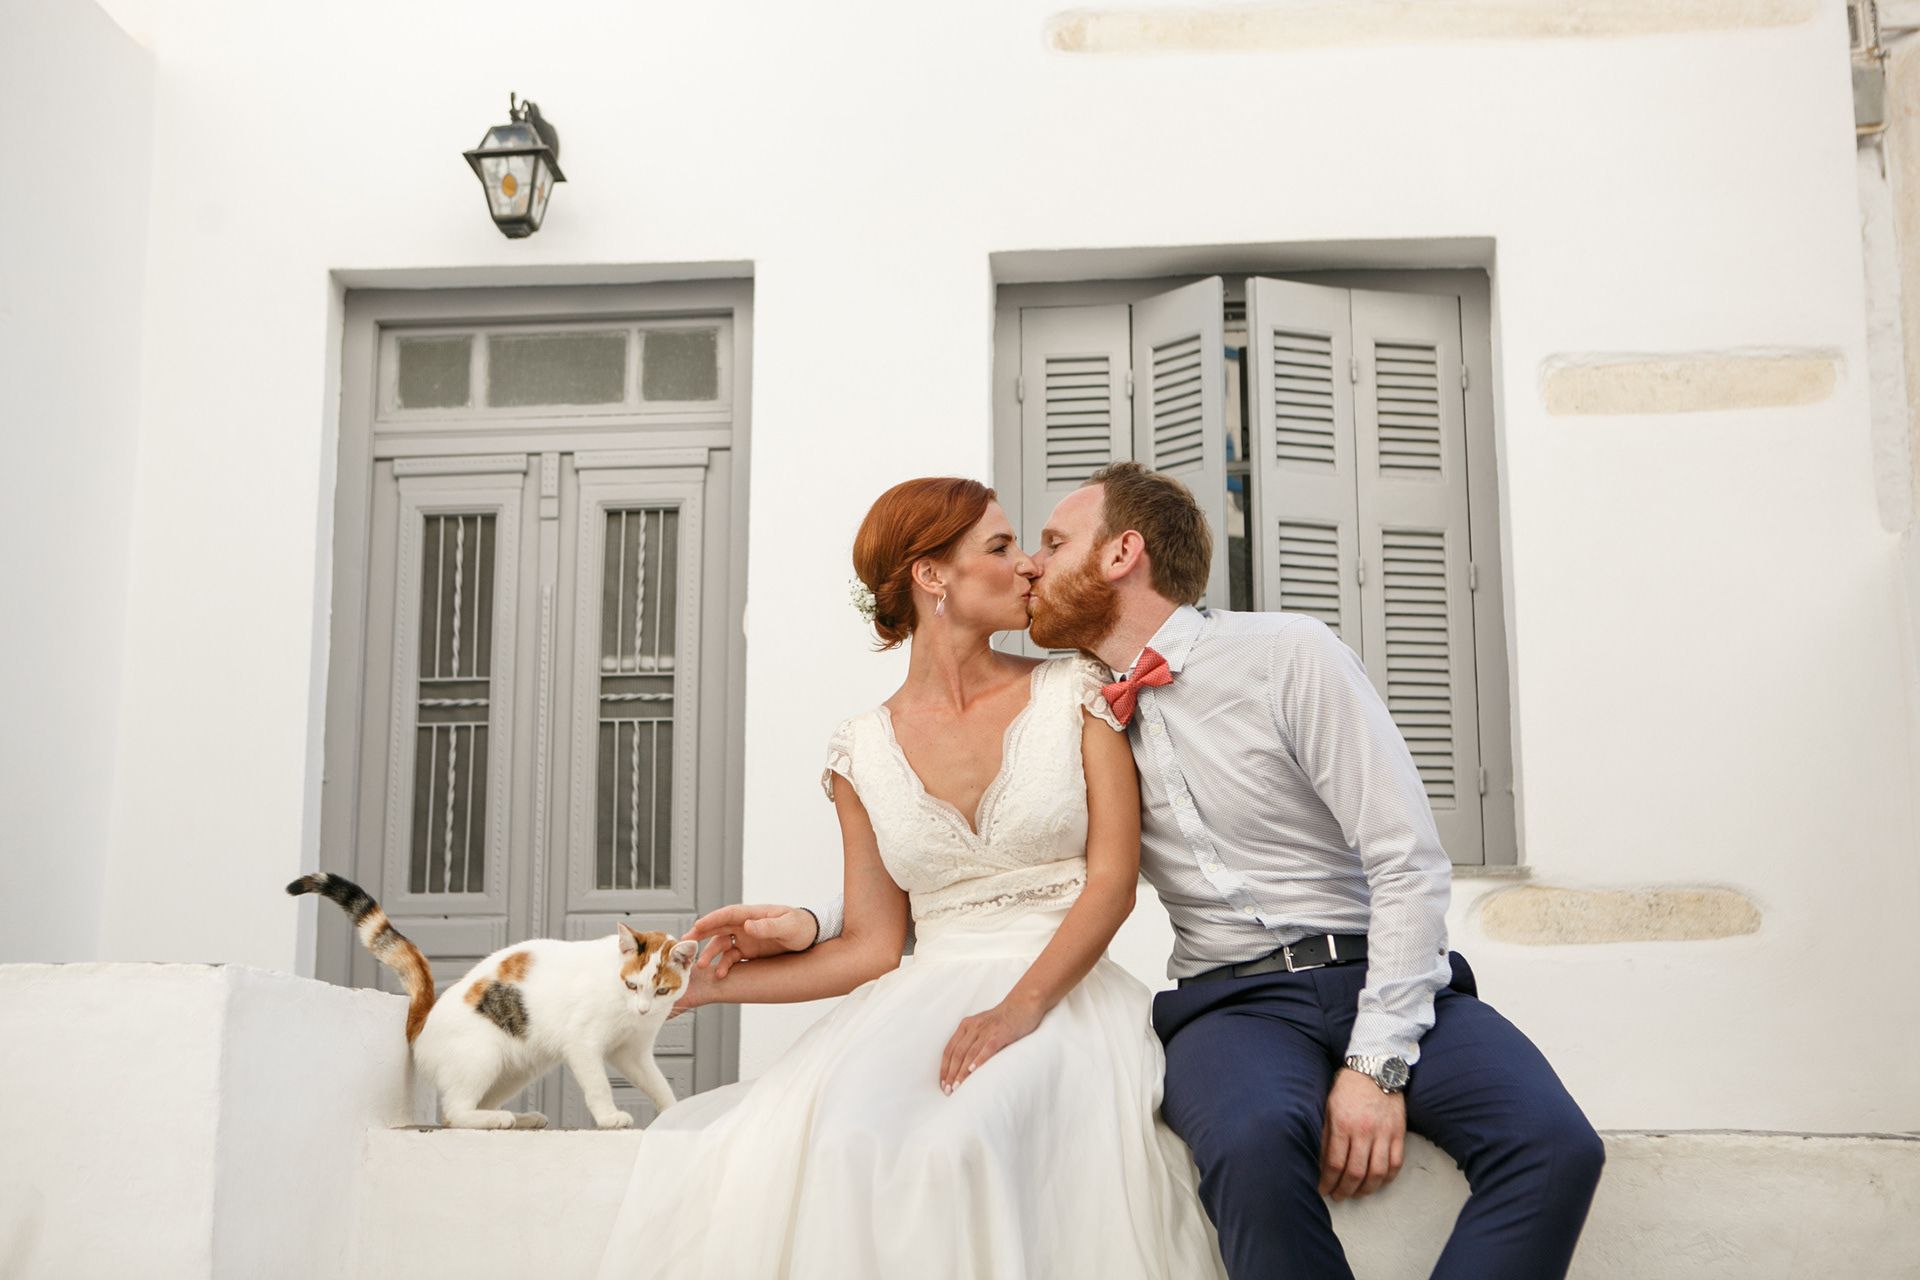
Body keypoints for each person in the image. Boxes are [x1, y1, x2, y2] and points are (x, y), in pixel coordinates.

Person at [694, 462, 1606, 1280]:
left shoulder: (1288, 656)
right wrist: (815, 922)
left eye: (1049, 544)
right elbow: (979, 861)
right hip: (1232, 1003)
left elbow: (1405, 859)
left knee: (1558, 1146)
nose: (1031, 567)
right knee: (1249, 1147)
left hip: (1387, 972)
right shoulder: (1085, 694)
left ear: (1122, 553)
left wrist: (1375, 1062)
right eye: (1016, 547)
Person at [595, 477, 1225, 1280]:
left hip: (1060, 997)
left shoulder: (1078, 691)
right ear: (933, 577)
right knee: (851, 1140)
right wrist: (716, 988)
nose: (1031, 564)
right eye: (1000, 548)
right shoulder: (860, 750)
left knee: (964, 1142)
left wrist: (1014, 1014)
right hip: (919, 1003)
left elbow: (1113, 881)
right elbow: (870, 945)